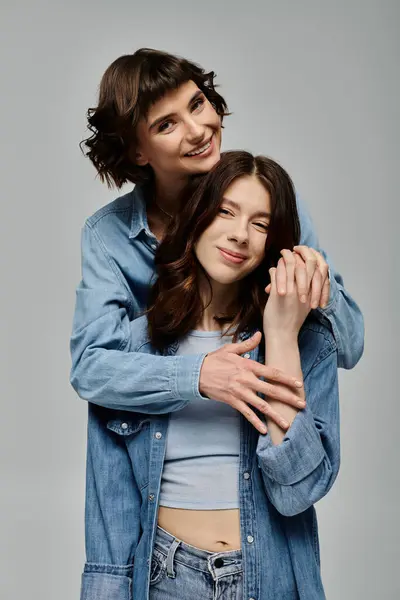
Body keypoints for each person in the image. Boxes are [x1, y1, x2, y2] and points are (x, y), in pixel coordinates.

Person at [69, 48, 362, 599]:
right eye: (167, 123)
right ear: (137, 149)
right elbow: (94, 371)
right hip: (163, 563)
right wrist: (199, 374)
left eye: (198, 104)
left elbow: (346, 345)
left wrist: (308, 304)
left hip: (266, 561)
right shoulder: (114, 258)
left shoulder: (277, 213)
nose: (199, 129)